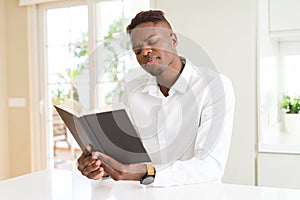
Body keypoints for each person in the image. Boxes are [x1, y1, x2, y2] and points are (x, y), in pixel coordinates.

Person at [77, 10, 235, 187]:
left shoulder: (214, 86)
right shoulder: (132, 91)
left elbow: (210, 166)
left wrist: (145, 172)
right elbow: (128, 155)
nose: (145, 51)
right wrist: (102, 167)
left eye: (152, 41)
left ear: (173, 40)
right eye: (137, 50)